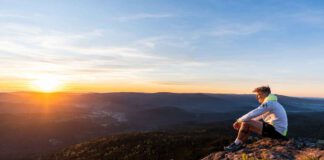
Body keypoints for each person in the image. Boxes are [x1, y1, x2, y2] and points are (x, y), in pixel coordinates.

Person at [224, 86, 288, 152]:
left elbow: (253, 113)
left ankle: (236, 144)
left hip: (276, 132)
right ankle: (239, 144)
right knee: (246, 123)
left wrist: (238, 120)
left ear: (265, 93)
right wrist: (243, 123)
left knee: (246, 122)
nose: (257, 97)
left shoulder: (269, 103)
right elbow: (257, 117)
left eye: (259, 95)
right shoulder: (272, 103)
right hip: (278, 132)